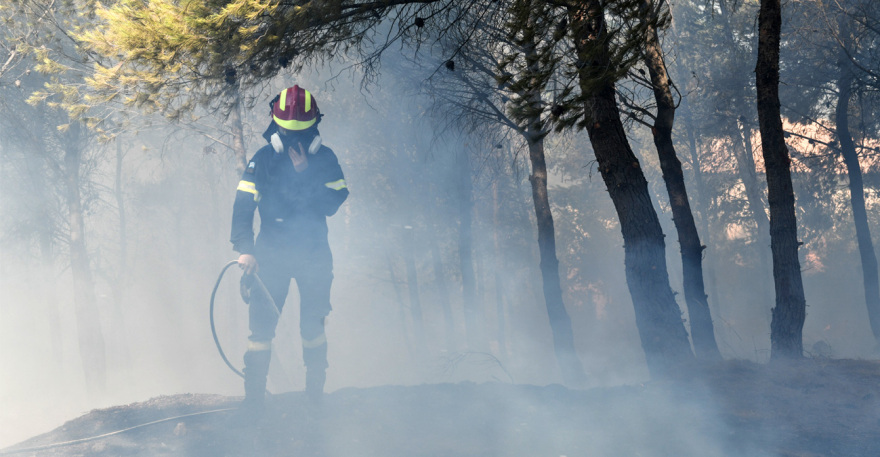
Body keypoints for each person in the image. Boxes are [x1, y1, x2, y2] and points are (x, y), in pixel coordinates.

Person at [230, 85, 349, 411]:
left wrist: (305, 173)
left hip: (313, 254)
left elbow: (333, 202)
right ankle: (253, 404)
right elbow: (243, 206)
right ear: (276, 127)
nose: (295, 139)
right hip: (270, 254)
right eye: (287, 131)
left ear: (315, 128)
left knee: (313, 325)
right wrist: (245, 248)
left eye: (302, 131)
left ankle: (315, 400)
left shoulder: (324, 159)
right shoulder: (263, 160)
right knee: (261, 329)